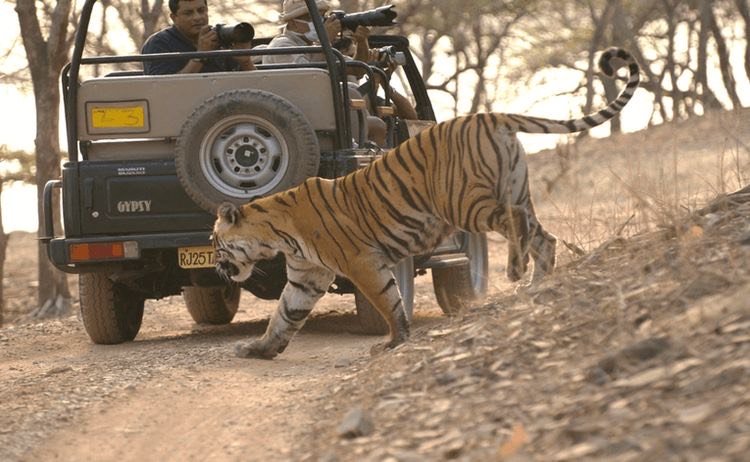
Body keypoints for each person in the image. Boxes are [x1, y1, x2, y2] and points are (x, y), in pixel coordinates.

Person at [264, 0, 387, 146]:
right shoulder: (282, 44)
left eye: (322, 17)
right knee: (350, 93)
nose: (320, 22)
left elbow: (357, 70)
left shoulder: (317, 46)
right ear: (293, 22)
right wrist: (325, 39)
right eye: (312, 18)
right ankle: (353, 147)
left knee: (375, 123)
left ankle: (363, 151)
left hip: (315, 108)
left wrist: (361, 42)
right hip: (292, 112)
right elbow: (306, 77)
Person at [141, 0, 255, 75]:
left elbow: (257, 88)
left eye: (201, 10)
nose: (197, 17)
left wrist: (245, 62)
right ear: (174, 18)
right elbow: (164, 88)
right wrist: (201, 55)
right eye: (188, 13)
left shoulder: (220, 37)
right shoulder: (159, 43)